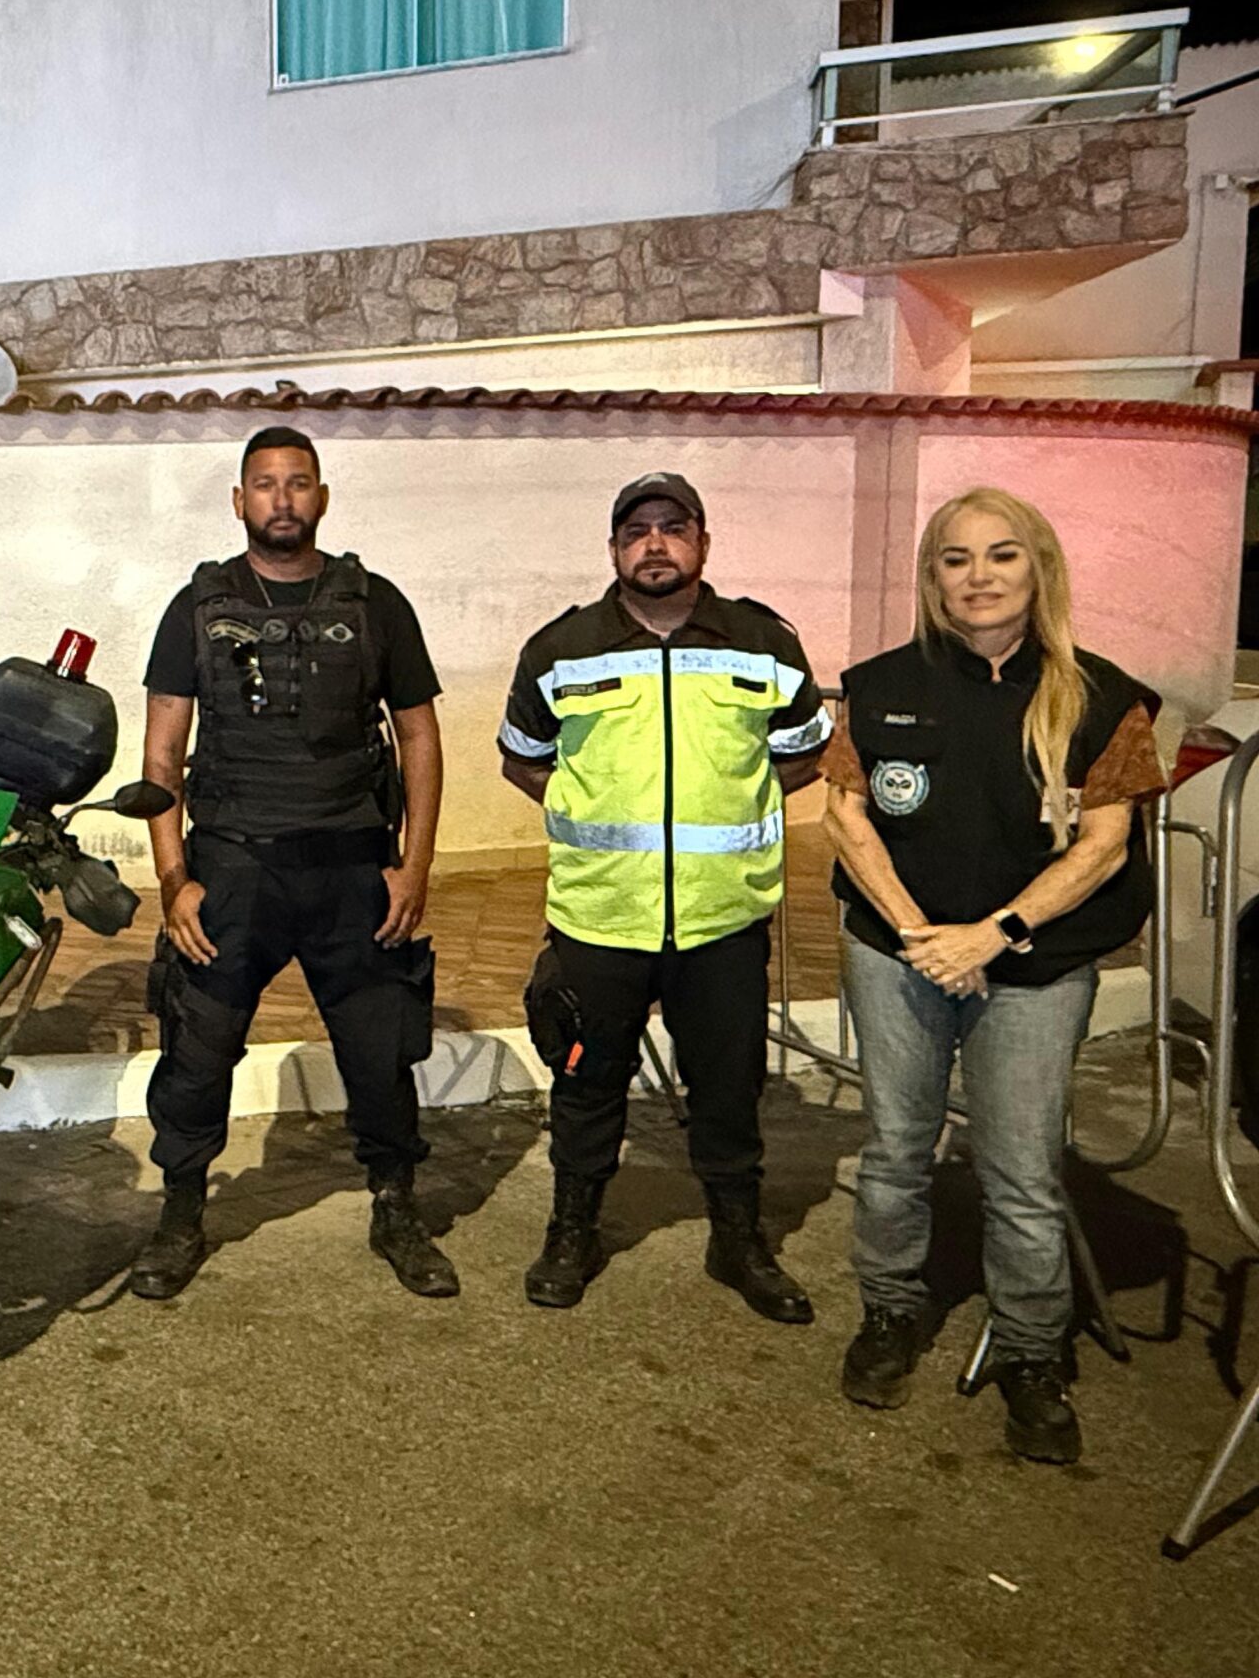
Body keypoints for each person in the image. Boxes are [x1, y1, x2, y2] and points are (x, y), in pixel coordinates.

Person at [822, 487, 1163, 1464]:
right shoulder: (879, 686)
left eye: (1001, 555)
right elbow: (845, 816)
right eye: (956, 558)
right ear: (932, 578)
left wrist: (991, 935)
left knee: (1020, 1171)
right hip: (899, 955)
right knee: (897, 1150)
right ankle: (890, 1312)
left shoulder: (1103, 698)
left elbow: (1104, 845)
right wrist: (919, 933)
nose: (978, 577)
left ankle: (1029, 1352)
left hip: (1035, 968)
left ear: (1038, 568)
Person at [129, 425, 451, 1300]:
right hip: (234, 871)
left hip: (354, 871)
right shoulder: (196, 609)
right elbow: (161, 756)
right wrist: (173, 880)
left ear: (323, 497)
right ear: (240, 501)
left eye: (298, 482)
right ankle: (181, 1214)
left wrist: (416, 867)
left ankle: (396, 1205)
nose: (282, 498)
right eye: (265, 484)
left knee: (380, 1054)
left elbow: (419, 737)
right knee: (197, 1051)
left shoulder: (376, 604)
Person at [497, 472, 828, 1320]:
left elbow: (802, 752)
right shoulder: (561, 648)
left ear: (702, 543)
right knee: (586, 1083)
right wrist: (592, 813)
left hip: (723, 917)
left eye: (673, 528)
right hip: (600, 914)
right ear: (613, 549)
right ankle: (573, 1231)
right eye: (636, 531)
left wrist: (729, 811)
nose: (654, 544)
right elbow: (523, 758)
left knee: (729, 1087)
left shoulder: (763, 641)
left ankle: (739, 1239)